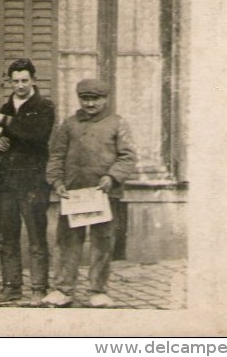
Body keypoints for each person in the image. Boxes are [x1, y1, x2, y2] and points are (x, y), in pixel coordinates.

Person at [44, 78, 137, 308]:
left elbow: (128, 157)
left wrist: (112, 177)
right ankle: (63, 290)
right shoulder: (69, 125)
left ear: (105, 99)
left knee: (102, 242)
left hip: (103, 194)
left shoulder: (117, 124)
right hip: (74, 194)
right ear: (79, 99)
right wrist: (56, 181)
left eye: (95, 99)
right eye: (85, 99)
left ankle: (98, 291)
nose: (90, 104)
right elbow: (56, 155)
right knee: (67, 242)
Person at [0, 58, 56, 305]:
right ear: (9, 82)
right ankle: (11, 287)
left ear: (34, 80)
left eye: (25, 80)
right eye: (15, 81)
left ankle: (39, 288)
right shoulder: (6, 106)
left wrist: (6, 123)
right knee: (7, 236)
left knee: (36, 236)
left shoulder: (44, 106)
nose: (20, 86)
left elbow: (36, 134)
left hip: (33, 181)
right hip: (6, 181)